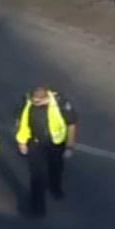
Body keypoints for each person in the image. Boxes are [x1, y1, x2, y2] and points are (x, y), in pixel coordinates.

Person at [15, 86, 79, 217]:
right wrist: (21, 141)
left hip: (55, 144)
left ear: (46, 99)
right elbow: (20, 121)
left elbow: (71, 124)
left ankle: (55, 188)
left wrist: (70, 146)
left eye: (37, 102)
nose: (34, 104)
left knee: (55, 168)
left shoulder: (60, 103)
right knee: (36, 176)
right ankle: (37, 208)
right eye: (33, 101)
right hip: (35, 143)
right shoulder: (27, 101)